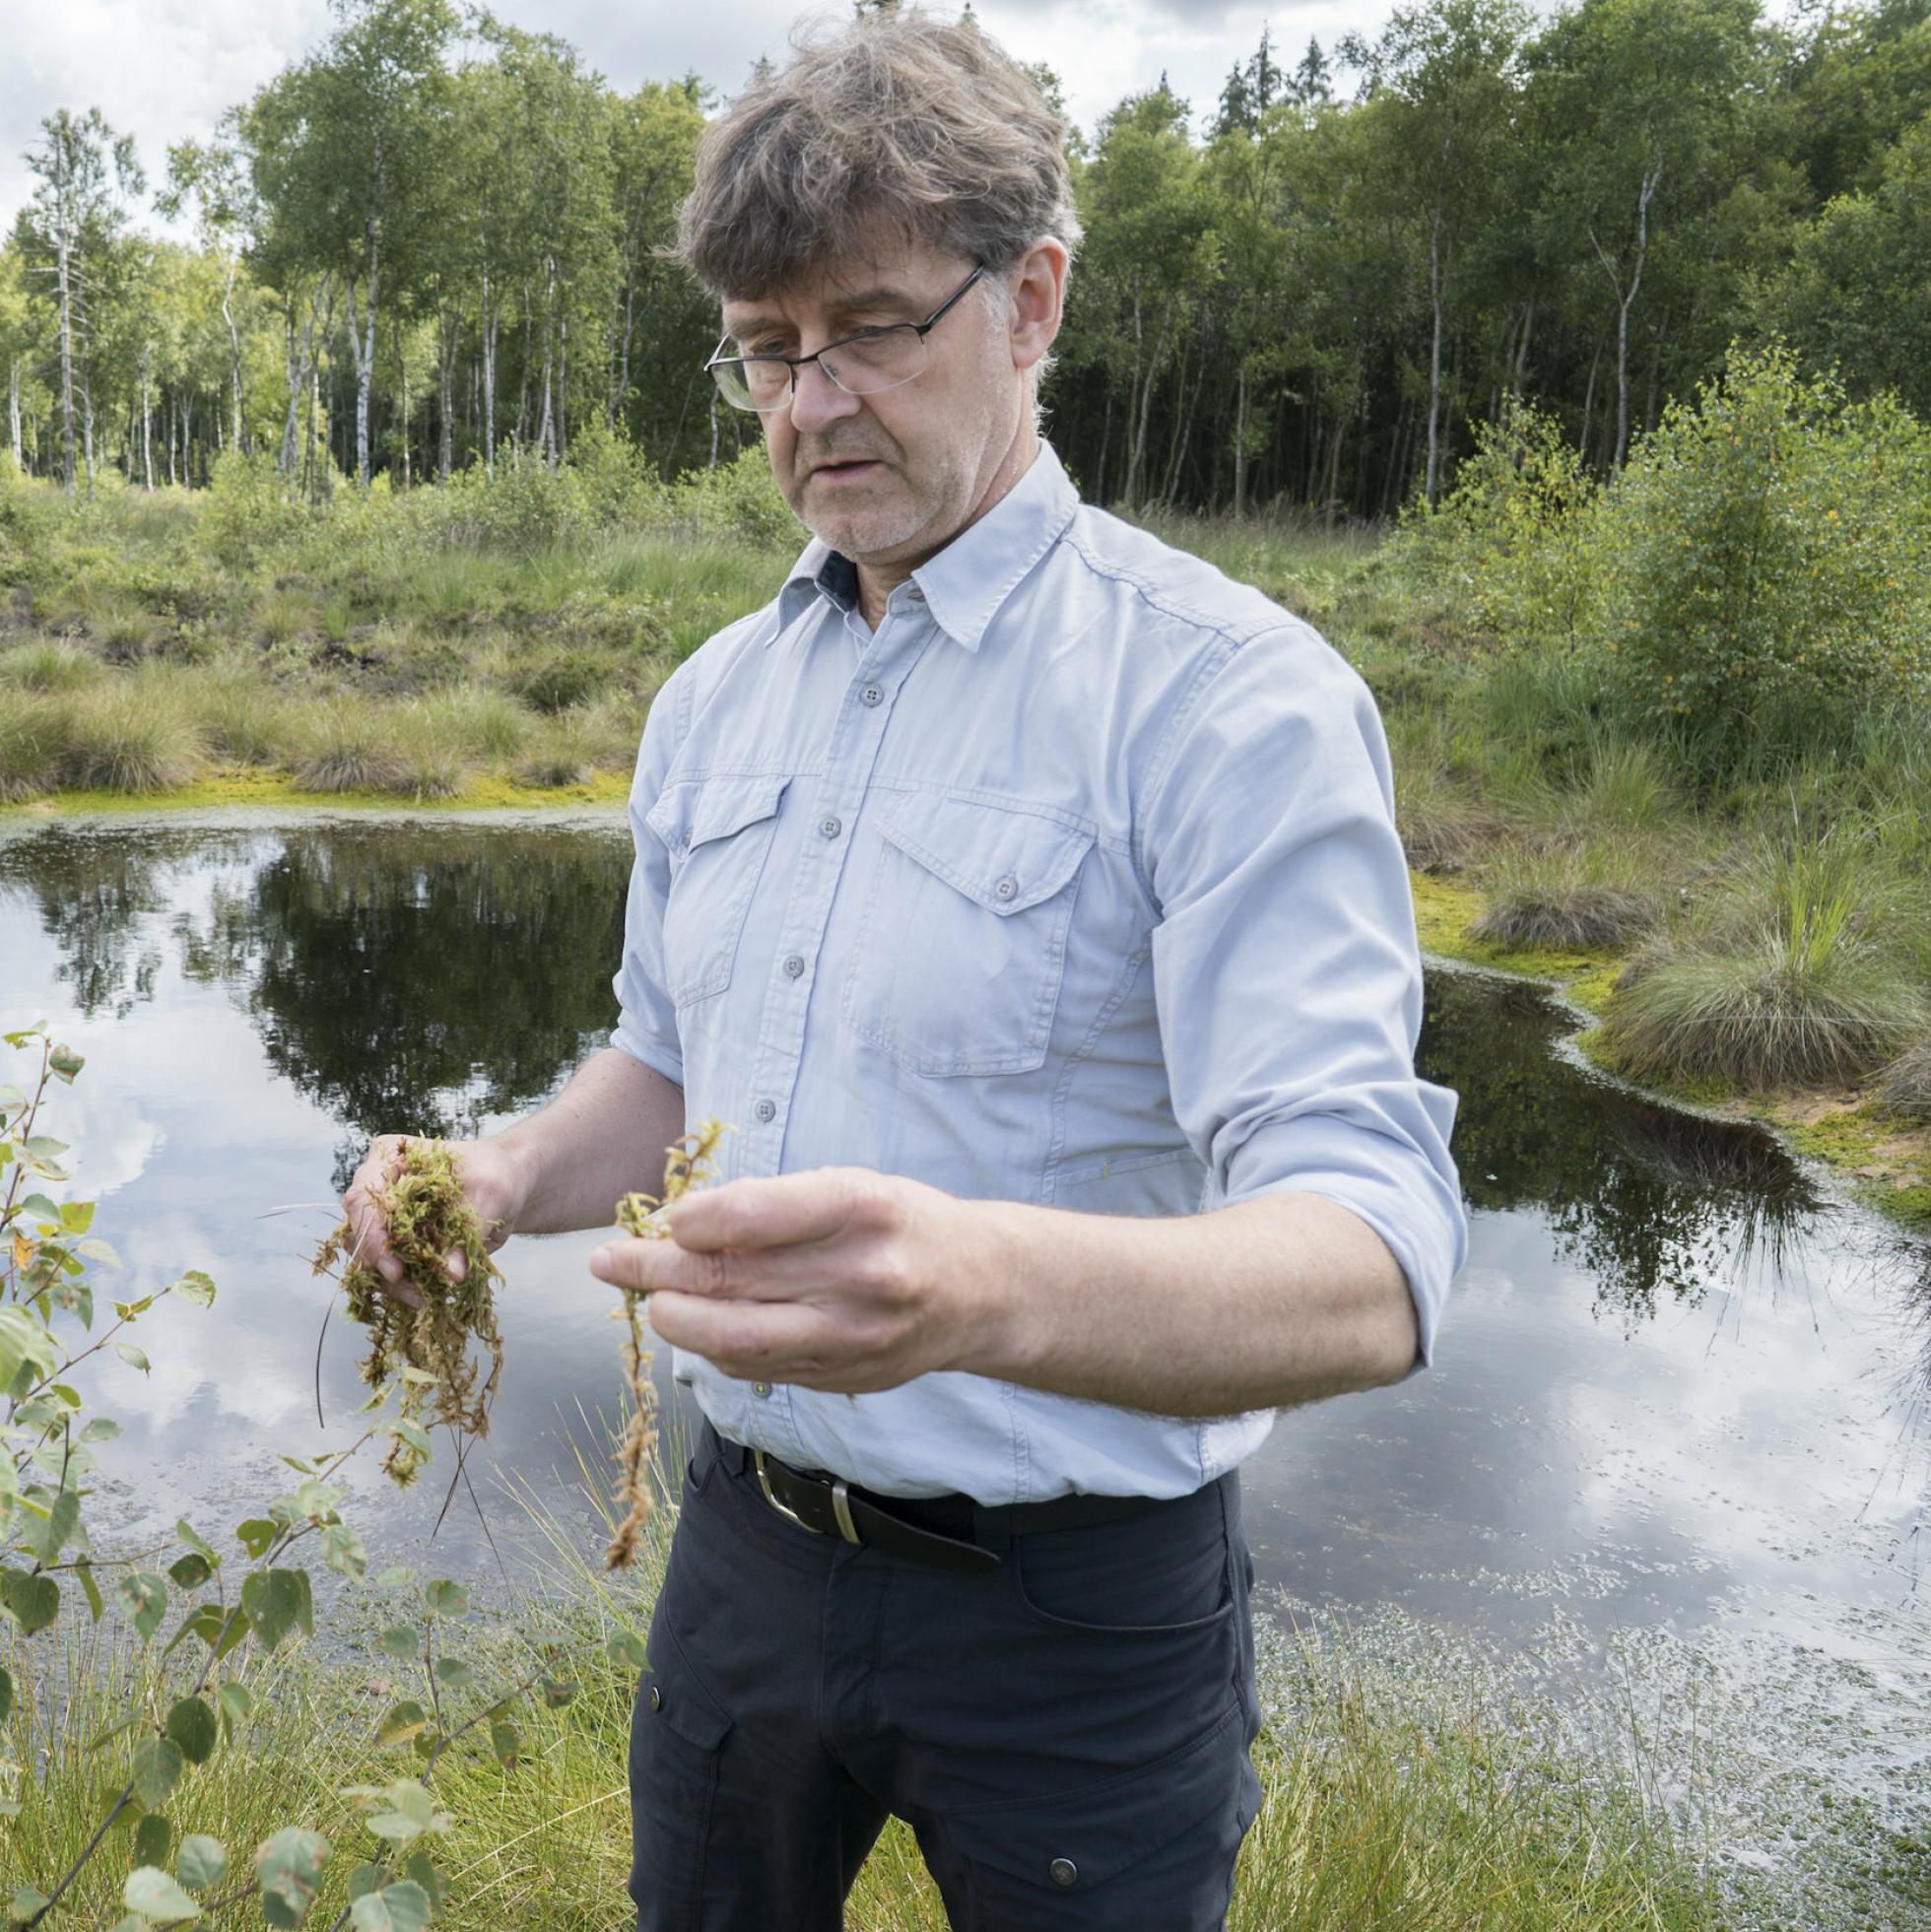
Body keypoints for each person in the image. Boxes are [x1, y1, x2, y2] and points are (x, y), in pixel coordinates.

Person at [336, 14, 1466, 1928]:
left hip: (1080, 1613)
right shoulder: (713, 700)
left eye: (870, 326)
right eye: (766, 352)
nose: (811, 403)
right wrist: (508, 1179)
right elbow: (666, 1078)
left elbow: (1372, 1265)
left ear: (1028, 302)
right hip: (746, 1561)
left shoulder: (1228, 704)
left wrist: (972, 1290)